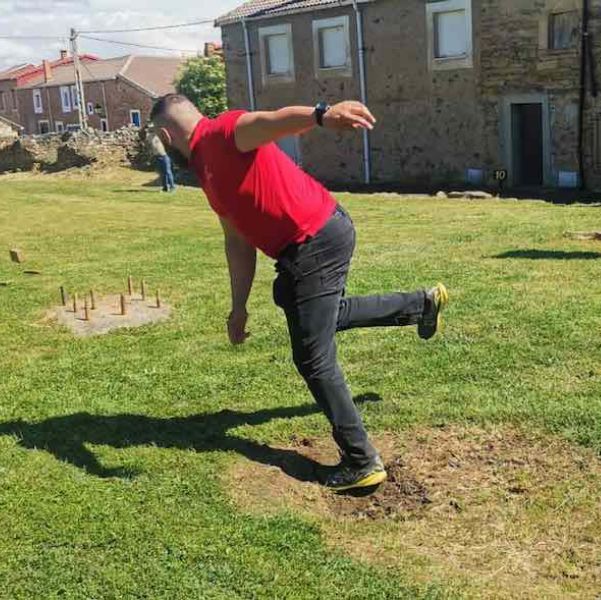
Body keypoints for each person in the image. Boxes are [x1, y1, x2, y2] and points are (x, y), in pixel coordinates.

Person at [150, 95, 449, 492]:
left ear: (166, 136)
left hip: (314, 239)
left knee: (313, 356)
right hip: (311, 241)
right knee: (311, 311)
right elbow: (237, 242)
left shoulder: (222, 132)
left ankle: (361, 461)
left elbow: (271, 121)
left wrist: (322, 115)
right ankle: (420, 304)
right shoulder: (206, 170)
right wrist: (238, 308)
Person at [147, 127, 176, 192]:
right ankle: (165, 188)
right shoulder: (149, 136)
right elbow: (149, 145)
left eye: (152, 128)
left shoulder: (159, 135)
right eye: (150, 128)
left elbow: (167, 137)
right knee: (162, 173)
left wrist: (162, 129)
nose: (151, 129)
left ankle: (172, 187)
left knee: (167, 172)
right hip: (156, 156)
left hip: (164, 155)